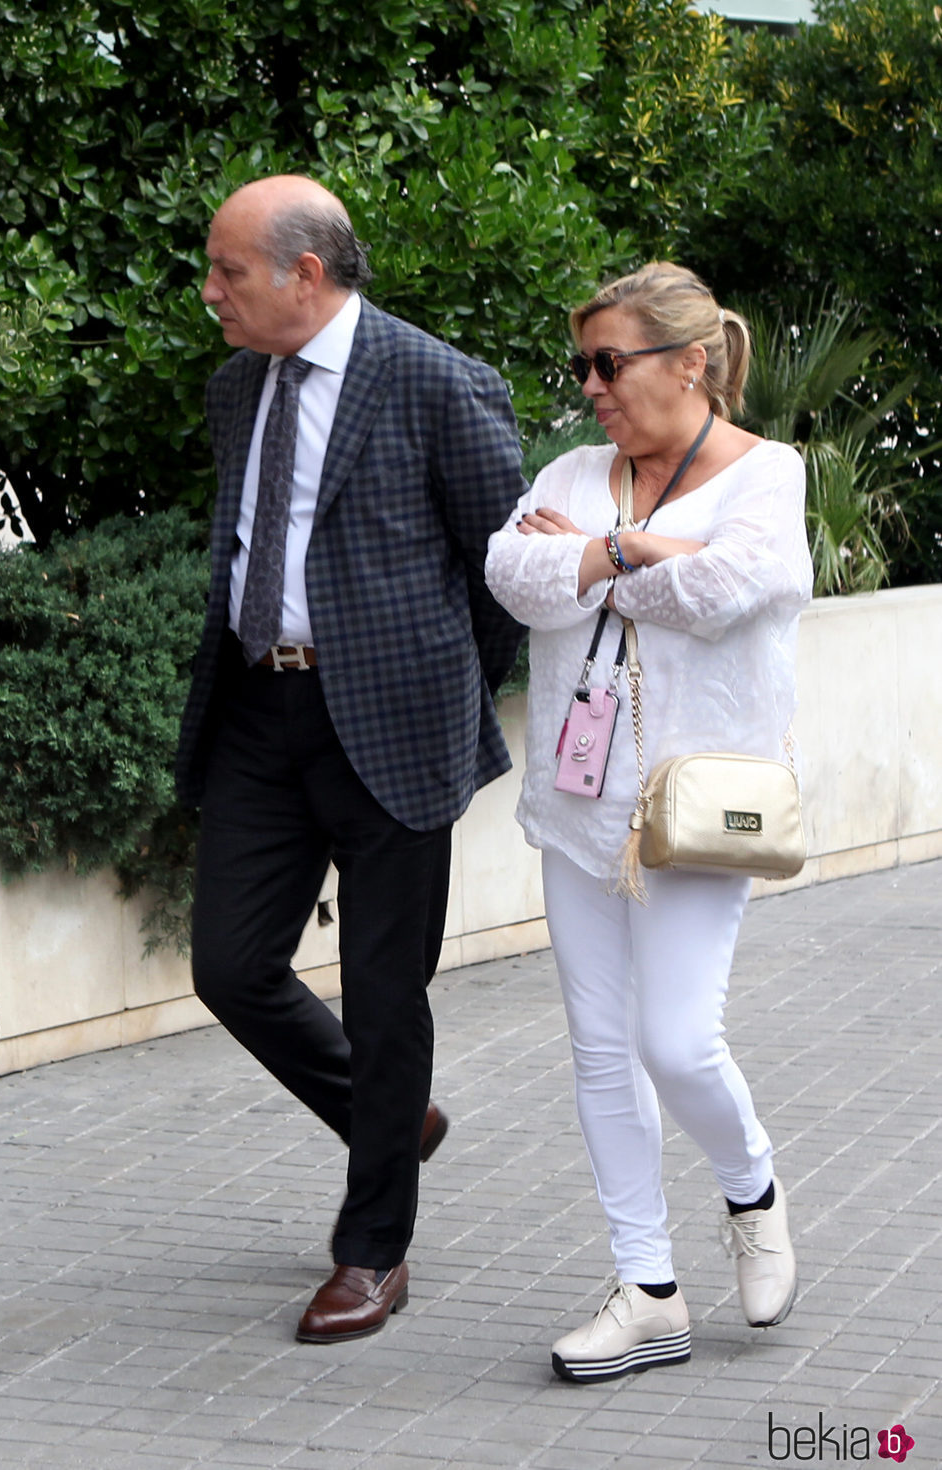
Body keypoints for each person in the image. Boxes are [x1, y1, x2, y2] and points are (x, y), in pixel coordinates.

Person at [176, 175, 524, 1344]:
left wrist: (433, 689)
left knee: (384, 997)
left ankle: (373, 1247)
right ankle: (390, 1117)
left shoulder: (433, 381)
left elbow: (504, 574)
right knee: (229, 965)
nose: (211, 291)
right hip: (259, 719)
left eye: (229, 271)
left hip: (391, 727)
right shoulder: (237, 387)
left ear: (304, 275)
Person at [485, 262, 812, 1383]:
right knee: (599, 1050)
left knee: (673, 1042)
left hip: (697, 807)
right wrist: (632, 554)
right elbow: (511, 575)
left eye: (608, 363)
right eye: (581, 365)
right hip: (580, 807)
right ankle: (648, 1290)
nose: (589, 387)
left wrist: (599, 554)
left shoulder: (768, 475)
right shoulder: (577, 470)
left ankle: (750, 1185)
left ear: (690, 363)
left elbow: (732, 592)